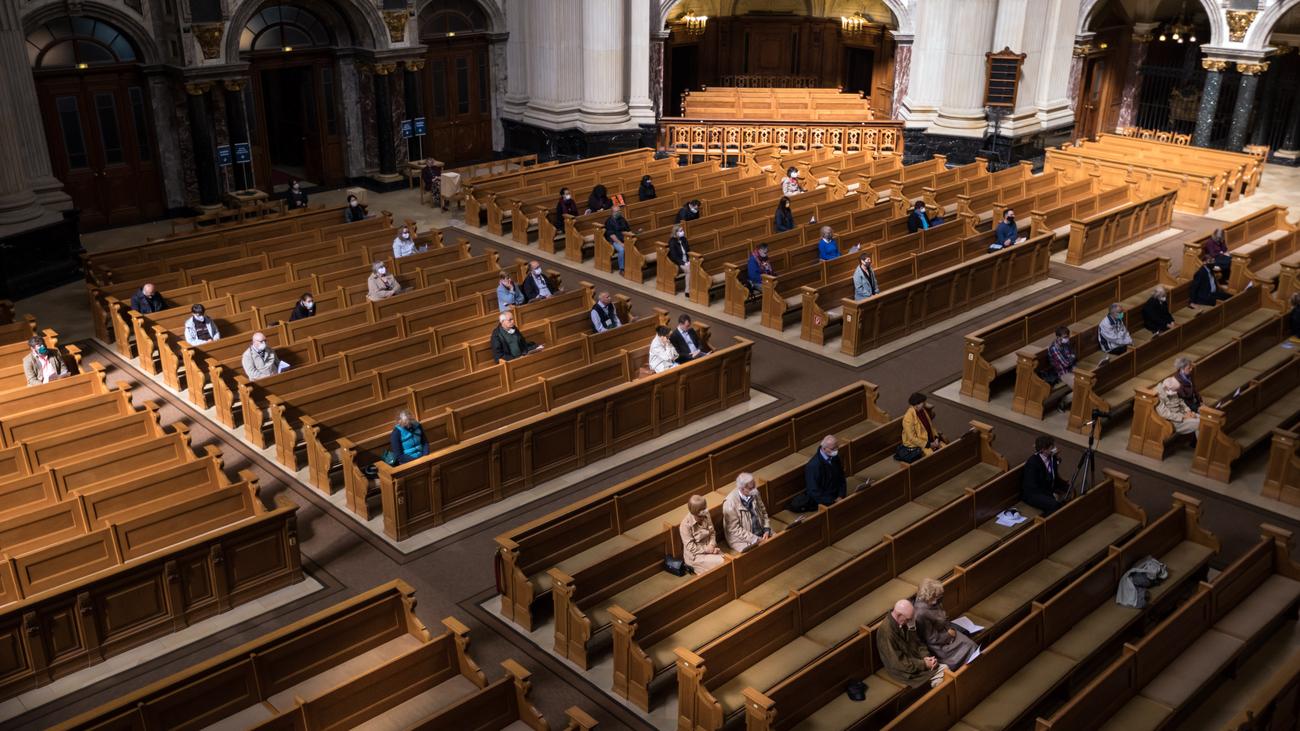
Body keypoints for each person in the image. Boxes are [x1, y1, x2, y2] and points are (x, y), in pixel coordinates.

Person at [878, 599, 947, 689]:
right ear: (899, 615)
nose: (910, 621)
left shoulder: (905, 621)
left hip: (915, 660)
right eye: (908, 619)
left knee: (945, 671)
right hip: (903, 671)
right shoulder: (887, 632)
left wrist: (926, 657)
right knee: (943, 674)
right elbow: (897, 663)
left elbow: (918, 643)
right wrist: (924, 664)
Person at [914, 579, 978, 667]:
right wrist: (949, 635)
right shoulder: (920, 613)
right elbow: (932, 639)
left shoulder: (935, 601)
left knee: (971, 644)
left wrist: (949, 629)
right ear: (931, 595)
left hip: (947, 631)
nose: (941, 597)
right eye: (938, 595)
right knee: (969, 647)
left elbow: (944, 617)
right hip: (939, 644)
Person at [722, 473, 772, 551]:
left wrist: (766, 528)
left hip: (761, 530)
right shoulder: (729, 503)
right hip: (741, 539)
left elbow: (763, 511)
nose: (755, 489)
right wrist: (755, 539)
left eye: (755, 486)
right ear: (742, 489)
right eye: (751, 488)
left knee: (778, 541)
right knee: (759, 552)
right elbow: (734, 529)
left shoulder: (754, 492)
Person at [1021, 435, 1068, 516]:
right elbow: (1033, 487)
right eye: (1051, 447)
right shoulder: (1033, 463)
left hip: (1046, 488)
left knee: (1069, 492)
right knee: (1054, 504)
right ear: (1043, 449)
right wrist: (1051, 495)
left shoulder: (1052, 457)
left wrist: (1067, 486)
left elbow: (1054, 476)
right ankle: (1044, 521)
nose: (1054, 448)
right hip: (1033, 494)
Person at [797, 435, 846, 510]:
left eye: (837, 447)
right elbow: (813, 491)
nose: (836, 450)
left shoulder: (834, 457)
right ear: (824, 448)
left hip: (837, 497)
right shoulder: (813, 466)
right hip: (824, 502)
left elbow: (841, 478)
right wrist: (833, 501)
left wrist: (841, 495)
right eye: (833, 448)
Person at [679, 495, 725, 574]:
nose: (706, 510)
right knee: (723, 563)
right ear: (696, 511)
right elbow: (691, 547)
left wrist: (712, 545)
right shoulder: (685, 525)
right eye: (703, 509)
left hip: (710, 548)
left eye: (705, 507)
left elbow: (712, 532)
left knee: (727, 560)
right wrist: (707, 549)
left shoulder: (706, 514)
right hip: (696, 556)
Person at [901, 392, 945, 461]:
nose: (924, 404)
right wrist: (929, 445)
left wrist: (936, 437)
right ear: (917, 404)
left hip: (930, 439)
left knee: (945, 449)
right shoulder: (908, 418)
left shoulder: (922, 411)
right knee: (934, 457)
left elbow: (931, 426)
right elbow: (911, 438)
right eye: (923, 402)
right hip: (919, 444)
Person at [1047, 326, 1077, 412]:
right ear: (1058, 337)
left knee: (1087, 381)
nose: (1067, 338)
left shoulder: (1066, 343)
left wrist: (1071, 358)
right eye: (1065, 337)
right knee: (1080, 388)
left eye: (1067, 336)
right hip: (1063, 373)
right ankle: (1063, 402)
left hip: (1072, 368)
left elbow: (1074, 355)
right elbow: (1065, 363)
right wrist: (1071, 358)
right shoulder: (1054, 348)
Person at [604, 206, 631, 275]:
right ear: (612, 212)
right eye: (617, 211)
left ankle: (631, 265)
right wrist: (620, 243)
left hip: (624, 238)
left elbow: (628, 229)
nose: (619, 213)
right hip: (614, 240)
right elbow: (612, 235)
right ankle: (621, 269)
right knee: (622, 250)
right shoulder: (609, 221)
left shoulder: (622, 219)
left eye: (619, 211)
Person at [668, 224, 692, 297]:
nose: (683, 232)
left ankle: (697, 289)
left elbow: (688, 250)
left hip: (687, 260)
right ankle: (687, 291)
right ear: (676, 233)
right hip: (678, 262)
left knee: (697, 268)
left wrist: (689, 260)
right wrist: (684, 263)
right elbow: (674, 256)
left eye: (682, 230)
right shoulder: (672, 242)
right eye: (681, 231)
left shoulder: (683, 239)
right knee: (689, 271)